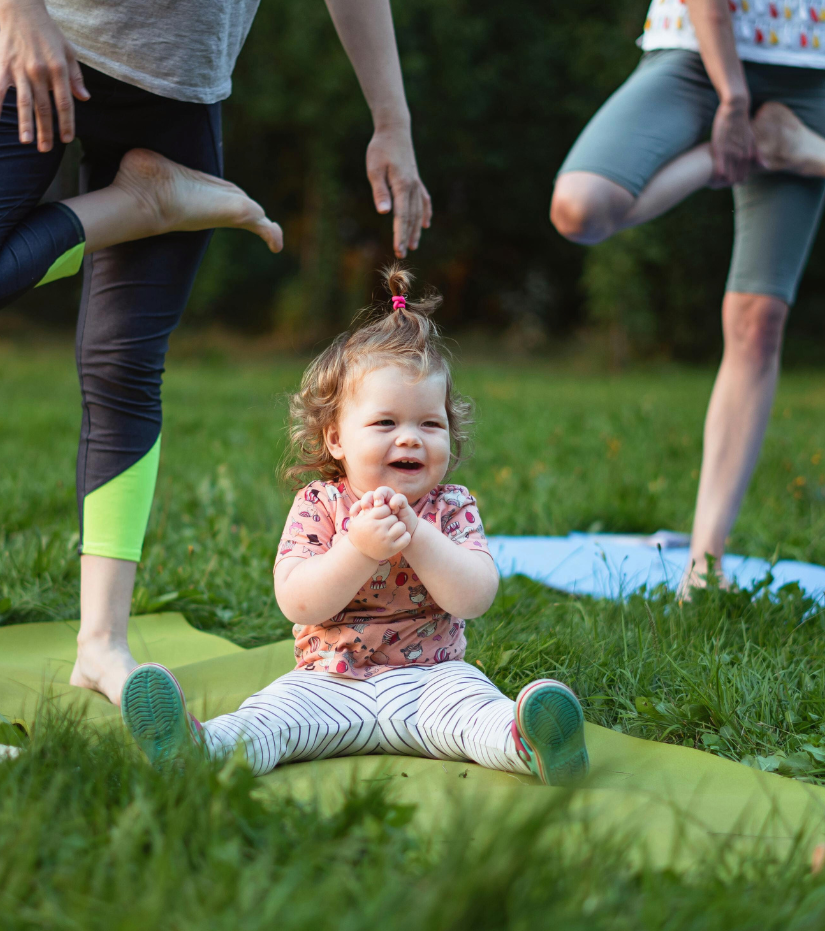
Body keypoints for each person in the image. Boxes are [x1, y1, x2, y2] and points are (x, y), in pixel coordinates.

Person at [0, 0, 433, 702]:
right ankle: (146, 205)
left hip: (177, 100)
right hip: (35, 39)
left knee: (122, 366)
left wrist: (391, 122)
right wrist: (20, 5)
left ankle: (102, 644)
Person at [120, 266, 590, 786]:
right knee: (271, 720)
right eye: (386, 423)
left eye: (430, 424)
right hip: (326, 683)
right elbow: (298, 602)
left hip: (431, 680)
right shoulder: (319, 503)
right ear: (337, 439)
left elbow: (474, 597)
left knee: (476, 714)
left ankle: (532, 742)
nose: (410, 439)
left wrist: (420, 537)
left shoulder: (451, 506)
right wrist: (359, 550)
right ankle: (200, 749)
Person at [549, 0, 825, 587]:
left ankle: (706, 564)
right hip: (696, 50)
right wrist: (732, 102)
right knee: (581, 206)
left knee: (758, 322)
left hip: (810, 66)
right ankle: (769, 149)